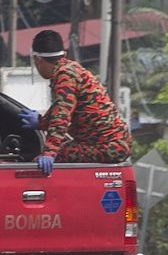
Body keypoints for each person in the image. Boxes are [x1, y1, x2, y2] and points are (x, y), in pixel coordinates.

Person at [20, 29, 133, 175]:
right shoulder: (73, 69)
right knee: (63, 150)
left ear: (38, 60)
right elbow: (64, 110)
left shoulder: (64, 77)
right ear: (63, 54)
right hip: (115, 142)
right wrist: (42, 122)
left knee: (43, 161)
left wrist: (49, 153)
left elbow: (61, 118)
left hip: (108, 146)